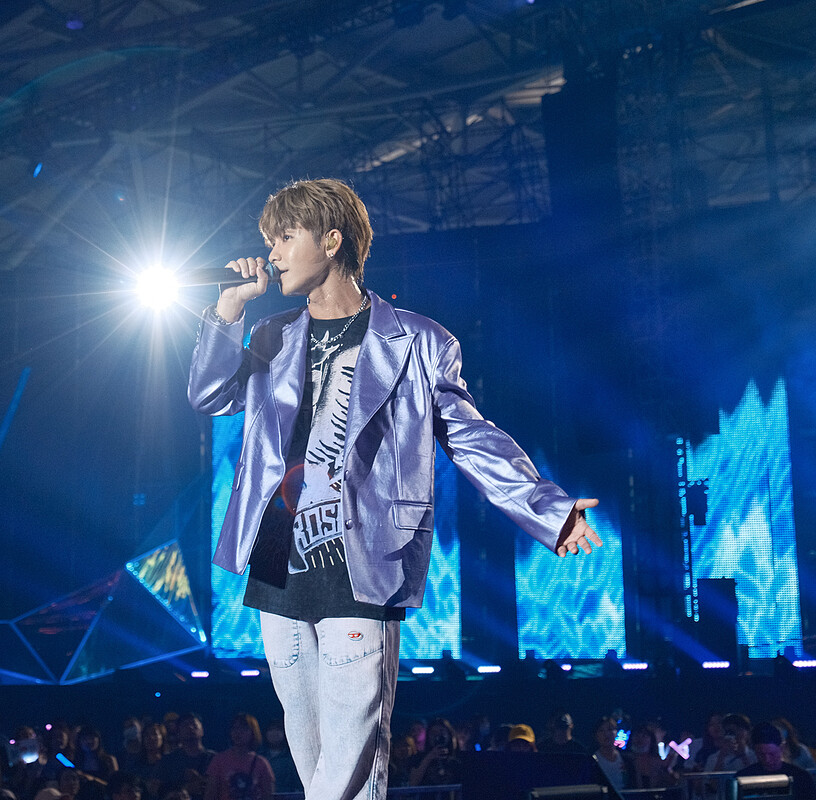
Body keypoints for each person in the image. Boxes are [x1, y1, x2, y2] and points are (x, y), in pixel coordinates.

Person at [187, 177, 602, 800]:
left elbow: (470, 435)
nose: (271, 253)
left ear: (332, 241)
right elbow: (209, 395)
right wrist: (229, 310)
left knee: (352, 753)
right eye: (269, 241)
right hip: (275, 555)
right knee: (311, 750)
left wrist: (547, 508)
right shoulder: (272, 334)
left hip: (362, 557)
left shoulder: (418, 341)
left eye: (284, 237)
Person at [735, 722, 816, 800]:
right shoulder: (743, 778)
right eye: (761, 754)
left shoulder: (801, 777)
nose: (767, 759)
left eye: (772, 754)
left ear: (782, 748)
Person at [203, 715, 273, 800]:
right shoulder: (219, 760)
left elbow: (267, 795)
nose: (238, 732)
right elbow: (210, 793)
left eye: (244, 728)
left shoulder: (261, 763)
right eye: (235, 728)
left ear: (253, 732)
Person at [592, 717, 628, 791]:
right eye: (601, 730)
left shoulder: (626, 758)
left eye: (610, 729)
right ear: (596, 735)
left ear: (616, 732)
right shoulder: (592, 760)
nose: (606, 734)